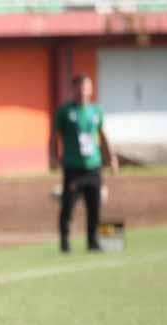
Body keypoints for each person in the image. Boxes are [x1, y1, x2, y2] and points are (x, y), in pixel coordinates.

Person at [50, 75, 119, 253]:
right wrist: (53, 157)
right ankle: (65, 242)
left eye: (86, 87)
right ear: (72, 90)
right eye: (79, 88)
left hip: (93, 166)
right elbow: (53, 136)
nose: (83, 91)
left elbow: (103, 135)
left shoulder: (96, 111)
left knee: (95, 206)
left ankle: (93, 242)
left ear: (91, 89)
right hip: (73, 166)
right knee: (68, 206)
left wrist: (111, 157)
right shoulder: (64, 112)